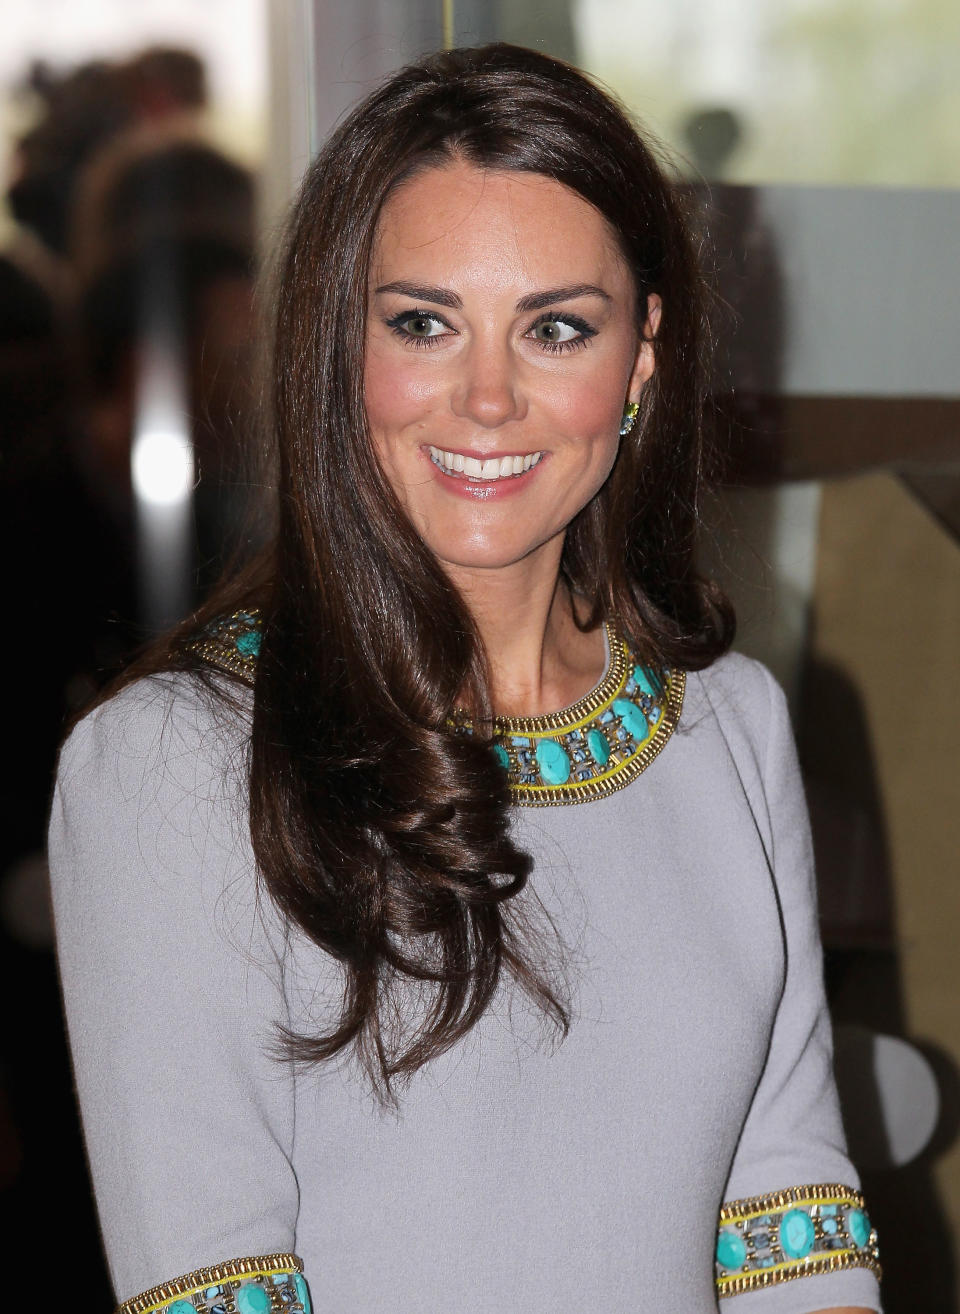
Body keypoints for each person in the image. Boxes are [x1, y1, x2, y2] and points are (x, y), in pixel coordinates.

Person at [49, 44, 882, 1314]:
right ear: (340, 343)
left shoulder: (730, 724)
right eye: (424, 323)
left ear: (642, 355)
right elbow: (207, 1280)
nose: (488, 399)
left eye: (556, 328)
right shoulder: (173, 762)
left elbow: (794, 1220)